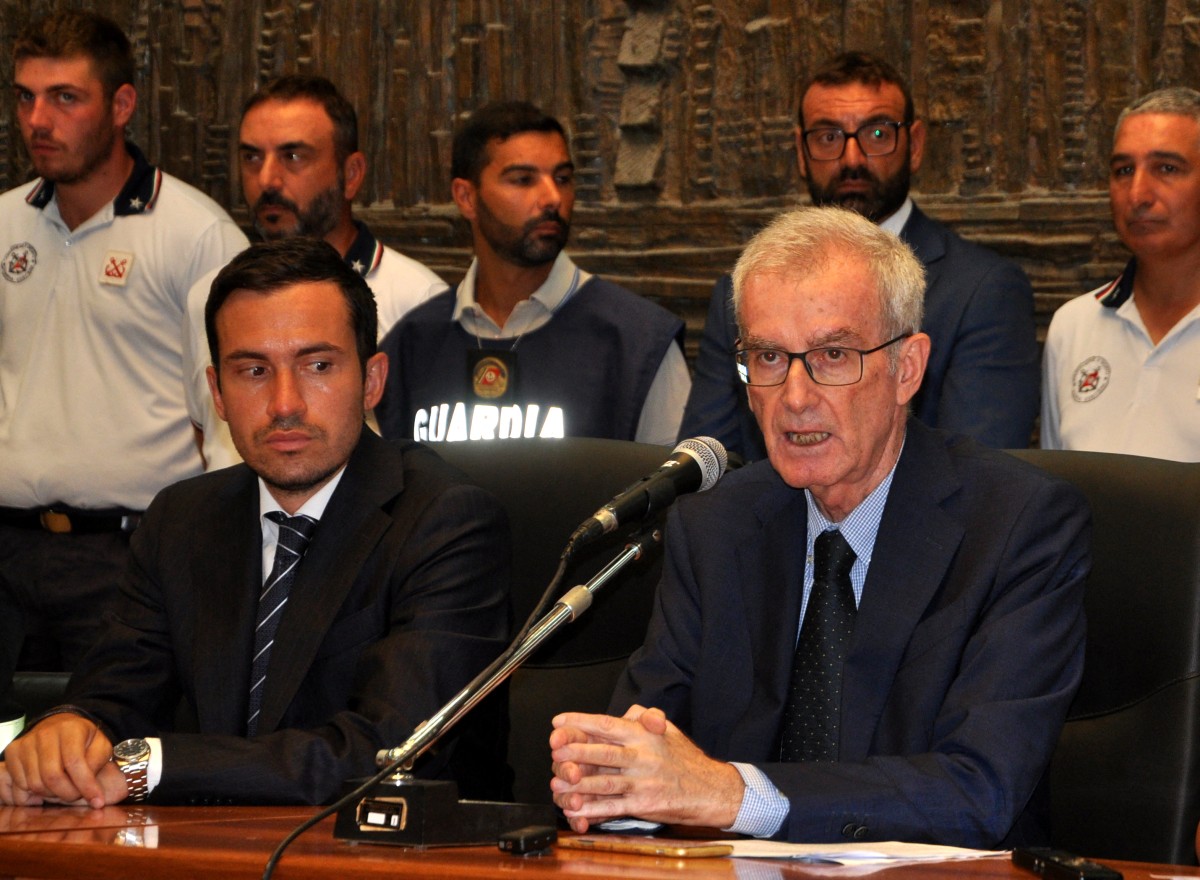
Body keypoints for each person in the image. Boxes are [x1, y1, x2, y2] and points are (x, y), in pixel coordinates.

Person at [549, 206, 1089, 847]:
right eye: (769, 357)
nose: (795, 396)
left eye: (833, 355)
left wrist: (729, 794)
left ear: (907, 369)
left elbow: (981, 790)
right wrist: (611, 777)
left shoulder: (1016, 525)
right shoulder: (716, 525)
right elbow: (649, 745)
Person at [0, 238, 511, 807]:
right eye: (253, 371)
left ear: (371, 380)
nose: (284, 403)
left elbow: (392, 751)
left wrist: (152, 764)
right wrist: (68, 733)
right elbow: (112, 694)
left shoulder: (444, 521)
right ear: (216, 392)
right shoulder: (181, 519)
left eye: (317, 365)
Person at [0, 11, 248, 696]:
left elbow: (227, 422)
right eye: (25, 96)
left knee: (103, 763)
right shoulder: (4, 222)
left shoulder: (197, 234)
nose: (37, 120)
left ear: (122, 105)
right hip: (8, 547)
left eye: (64, 98)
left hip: (127, 557)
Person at [680, 52, 1039, 461]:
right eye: (828, 137)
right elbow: (707, 469)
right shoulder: (742, 291)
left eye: (877, 134)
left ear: (915, 145)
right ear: (801, 151)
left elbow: (977, 476)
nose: (852, 159)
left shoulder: (982, 291)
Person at [375, 101, 690, 445]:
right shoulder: (409, 346)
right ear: (466, 197)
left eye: (563, 179)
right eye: (523, 180)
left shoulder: (638, 342)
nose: (552, 197)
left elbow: (681, 491)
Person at [184, 74, 448, 469]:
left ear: (352, 174)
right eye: (252, 157)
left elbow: (434, 464)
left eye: (293, 156)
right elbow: (205, 433)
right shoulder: (209, 296)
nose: (267, 180)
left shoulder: (419, 302)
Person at [1041, 87, 1200, 461]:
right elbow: (1060, 489)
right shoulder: (1074, 326)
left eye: (1167, 168)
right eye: (1123, 170)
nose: (1138, 194)